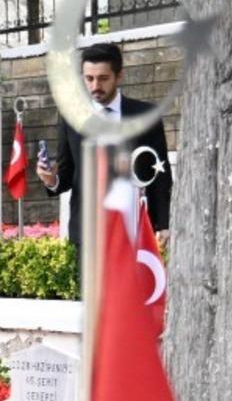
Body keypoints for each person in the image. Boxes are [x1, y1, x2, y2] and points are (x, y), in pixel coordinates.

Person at [35, 41, 173, 249]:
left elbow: (160, 175)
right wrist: (51, 179)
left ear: (119, 76)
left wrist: (163, 224)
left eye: (103, 78)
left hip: (133, 231)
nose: (95, 86)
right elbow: (66, 174)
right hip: (87, 235)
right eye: (88, 78)